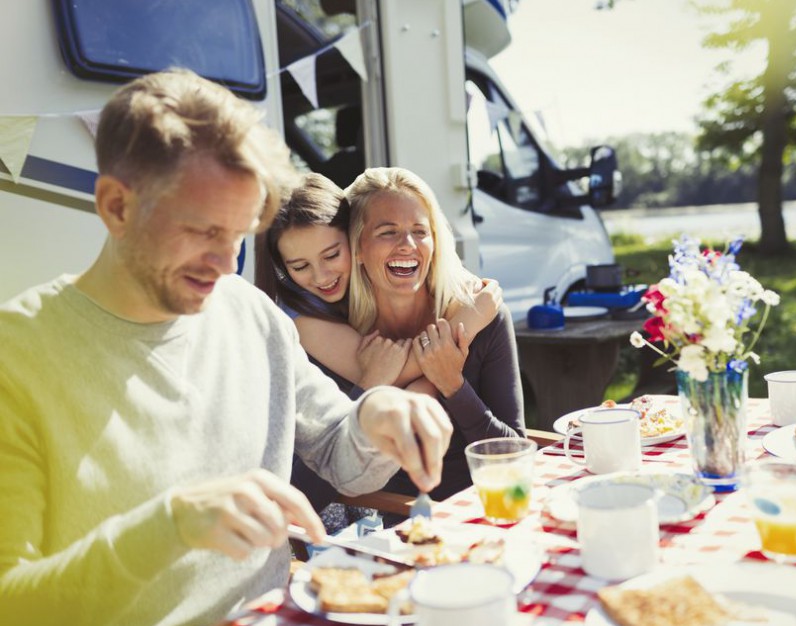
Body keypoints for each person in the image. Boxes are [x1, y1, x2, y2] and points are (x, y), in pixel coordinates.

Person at [0, 69, 451, 626]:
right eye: (202, 231)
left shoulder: (252, 315)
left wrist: (376, 414)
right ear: (116, 206)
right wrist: (170, 526)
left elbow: (345, 457)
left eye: (238, 234)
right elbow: (12, 602)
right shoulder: (16, 358)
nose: (225, 263)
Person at [257, 173, 503, 517]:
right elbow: (401, 368)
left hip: (466, 508)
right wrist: (466, 325)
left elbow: (512, 448)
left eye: (331, 255)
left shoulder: (468, 304)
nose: (322, 276)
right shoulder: (306, 323)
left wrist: (445, 380)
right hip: (360, 515)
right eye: (300, 266)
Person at [346, 167, 525, 500]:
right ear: (357, 248)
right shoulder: (344, 334)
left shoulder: (485, 317)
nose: (408, 245)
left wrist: (453, 386)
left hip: (482, 513)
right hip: (391, 523)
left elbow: (512, 452)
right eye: (388, 232)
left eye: (419, 230)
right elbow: (336, 453)